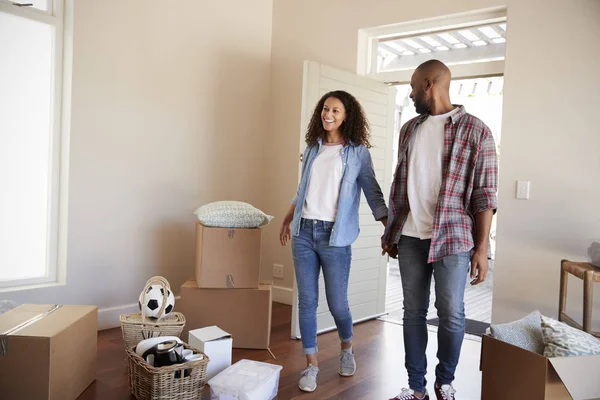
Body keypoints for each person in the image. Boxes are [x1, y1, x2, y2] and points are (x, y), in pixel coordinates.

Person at [382, 60, 498, 400]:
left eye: (413, 85)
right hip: (410, 236)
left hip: (453, 239)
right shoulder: (409, 129)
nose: (411, 92)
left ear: (429, 84)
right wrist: (392, 232)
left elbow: (484, 195)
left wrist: (481, 249)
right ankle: (416, 387)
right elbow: (400, 183)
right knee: (413, 312)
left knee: (451, 314)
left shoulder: (477, 131)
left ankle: (444, 382)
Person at [280, 90, 388, 393]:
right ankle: (311, 365)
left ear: (346, 116)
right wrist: (289, 216)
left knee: (337, 303)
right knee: (307, 302)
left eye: (336, 111)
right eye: (325, 109)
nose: (328, 115)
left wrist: (387, 227)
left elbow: (372, 192)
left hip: (335, 236)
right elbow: (302, 189)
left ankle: (346, 347)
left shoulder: (357, 152)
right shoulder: (312, 149)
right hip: (304, 232)